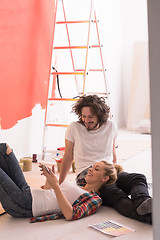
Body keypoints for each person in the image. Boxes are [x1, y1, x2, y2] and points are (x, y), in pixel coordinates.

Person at [59, 95, 152, 224]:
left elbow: (112, 151)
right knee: (114, 192)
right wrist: (60, 185)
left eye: (90, 117)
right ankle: (151, 218)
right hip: (88, 172)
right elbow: (68, 156)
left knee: (138, 177)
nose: (86, 120)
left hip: (108, 169)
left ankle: (143, 202)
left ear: (100, 115)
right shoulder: (74, 128)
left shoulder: (111, 125)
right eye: (83, 116)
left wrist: (117, 172)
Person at [0, 143, 120, 223]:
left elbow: (70, 214)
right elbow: (49, 195)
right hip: (28, 193)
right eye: (92, 167)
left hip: (25, 205)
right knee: (5, 149)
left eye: (96, 169)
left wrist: (56, 185)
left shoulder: (95, 199)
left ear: (104, 178)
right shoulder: (78, 185)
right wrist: (49, 179)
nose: (90, 169)